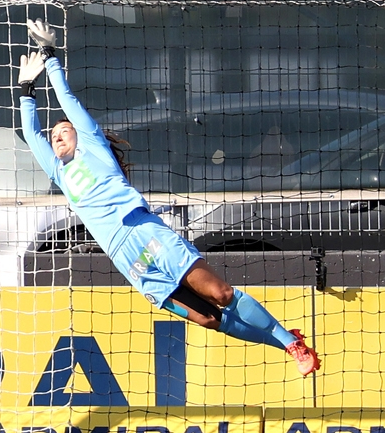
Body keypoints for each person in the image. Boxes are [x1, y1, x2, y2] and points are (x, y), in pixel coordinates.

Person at [16, 19, 321, 376]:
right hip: (129, 260)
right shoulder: (60, 173)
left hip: (146, 234)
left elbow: (68, 101)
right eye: (54, 134)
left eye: (64, 130)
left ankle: (290, 342)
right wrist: (26, 90)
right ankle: (285, 343)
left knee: (221, 295)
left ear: (80, 135)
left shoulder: (93, 148)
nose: (57, 136)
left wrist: (50, 56)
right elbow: (31, 133)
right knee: (208, 319)